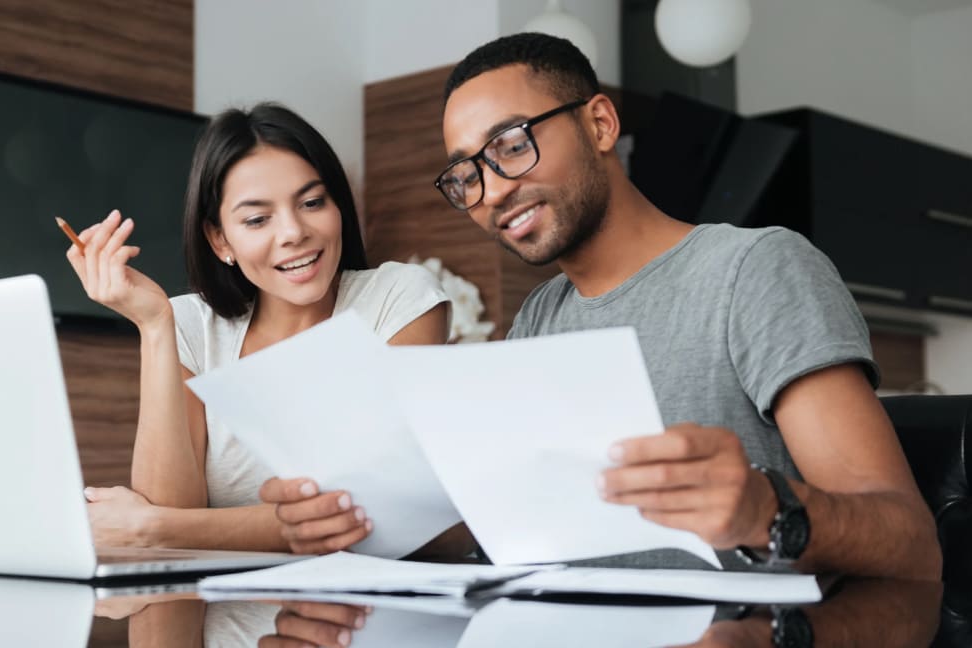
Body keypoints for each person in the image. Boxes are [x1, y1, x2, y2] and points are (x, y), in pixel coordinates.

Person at [263, 33, 941, 580]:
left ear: (598, 122)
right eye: (465, 175)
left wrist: (766, 508)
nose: (491, 191)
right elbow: (511, 532)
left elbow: (908, 541)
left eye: (509, 145)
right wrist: (355, 520)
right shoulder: (538, 315)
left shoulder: (754, 269)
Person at [65, 103, 452, 554]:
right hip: (215, 620)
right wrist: (153, 327)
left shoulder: (398, 299)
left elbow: (372, 513)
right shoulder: (191, 325)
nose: (293, 232)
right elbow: (169, 509)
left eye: (312, 203)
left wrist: (154, 528)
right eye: (257, 219)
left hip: (359, 618)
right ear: (219, 239)